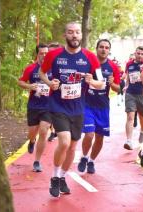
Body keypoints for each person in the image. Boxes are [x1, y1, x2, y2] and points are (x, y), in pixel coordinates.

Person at [39, 22, 104, 197]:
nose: (74, 35)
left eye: (77, 32)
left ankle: (62, 177)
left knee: (73, 146)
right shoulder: (54, 55)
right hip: (58, 105)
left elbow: (101, 83)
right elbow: (41, 73)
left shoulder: (90, 57)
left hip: (78, 108)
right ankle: (54, 177)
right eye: (70, 32)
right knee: (65, 142)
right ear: (65, 35)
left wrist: (92, 81)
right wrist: (49, 83)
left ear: (81, 35)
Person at [77, 39, 120, 174]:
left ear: (109, 50)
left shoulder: (113, 67)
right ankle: (84, 157)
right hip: (87, 104)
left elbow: (118, 89)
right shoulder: (88, 63)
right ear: (96, 48)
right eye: (101, 47)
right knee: (89, 134)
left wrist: (113, 84)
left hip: (103, 106)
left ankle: (91, 161)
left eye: (106, 47)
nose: (103, 49)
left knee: (99, 136)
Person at [18, 43, 51, 172]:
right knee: (32, 132)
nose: (44, 55)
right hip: (34, 105)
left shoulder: (53, 68)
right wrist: (29, 86)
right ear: (37, 54)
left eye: (46, 53)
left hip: (48, 106)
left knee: (44, 131)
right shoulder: (31, 68)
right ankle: (32, 141)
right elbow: (20, 82)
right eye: (41, 53)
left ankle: (37, 161)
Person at [47, 42, 61, 142]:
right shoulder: (45, 64)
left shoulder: (63, 64)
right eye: (49, 52)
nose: (52, 54)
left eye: (54, 52)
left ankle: (54, 131)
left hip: (60, 96)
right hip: (45, 96)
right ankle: (53, 131)